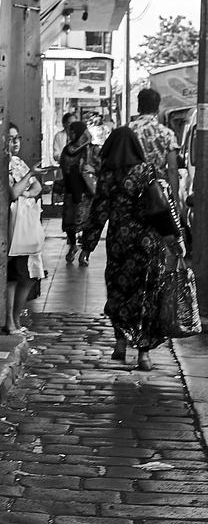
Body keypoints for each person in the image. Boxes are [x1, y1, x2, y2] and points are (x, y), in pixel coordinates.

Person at [80, 126, 183, 372]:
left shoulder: (107, 176)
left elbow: (98, 213)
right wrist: (174, 237)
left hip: (119, 244)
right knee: (146, 295)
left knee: (119, 292)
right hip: (147, 244)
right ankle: (144, 355)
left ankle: (120, 343)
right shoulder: (146, 171)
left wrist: (88, 245)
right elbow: (159, 207)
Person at [6, 123, 44, 335]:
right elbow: (12, 192)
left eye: (17, 137)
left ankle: (16, 320)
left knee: (28, 274)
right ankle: (11, 322)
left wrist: (27, 193)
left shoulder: (18, 162)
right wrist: (28, 178)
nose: (16, 142)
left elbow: (37, 187)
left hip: (25, 219)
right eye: (11, 138)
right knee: (14, 275)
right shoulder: (5, 164)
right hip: (12, 223)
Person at [59, 120, 100, 265]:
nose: (71, 134)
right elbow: (62, 168)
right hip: (70, 190)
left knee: (87, 223)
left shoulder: (92, 150)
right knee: (69, 223)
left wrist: (94, 169)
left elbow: (103, 166)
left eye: (73, 131)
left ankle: (85, 253)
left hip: (86, 192)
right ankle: (73, 246)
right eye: (70, 131)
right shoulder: (67, 149)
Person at [130, 88, 180, 202]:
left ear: (138, 107)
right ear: (157, 109)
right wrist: (174, 200)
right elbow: (172, 169)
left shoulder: (127, 131)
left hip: (131, 191)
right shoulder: (167, 134)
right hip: (157, 194)